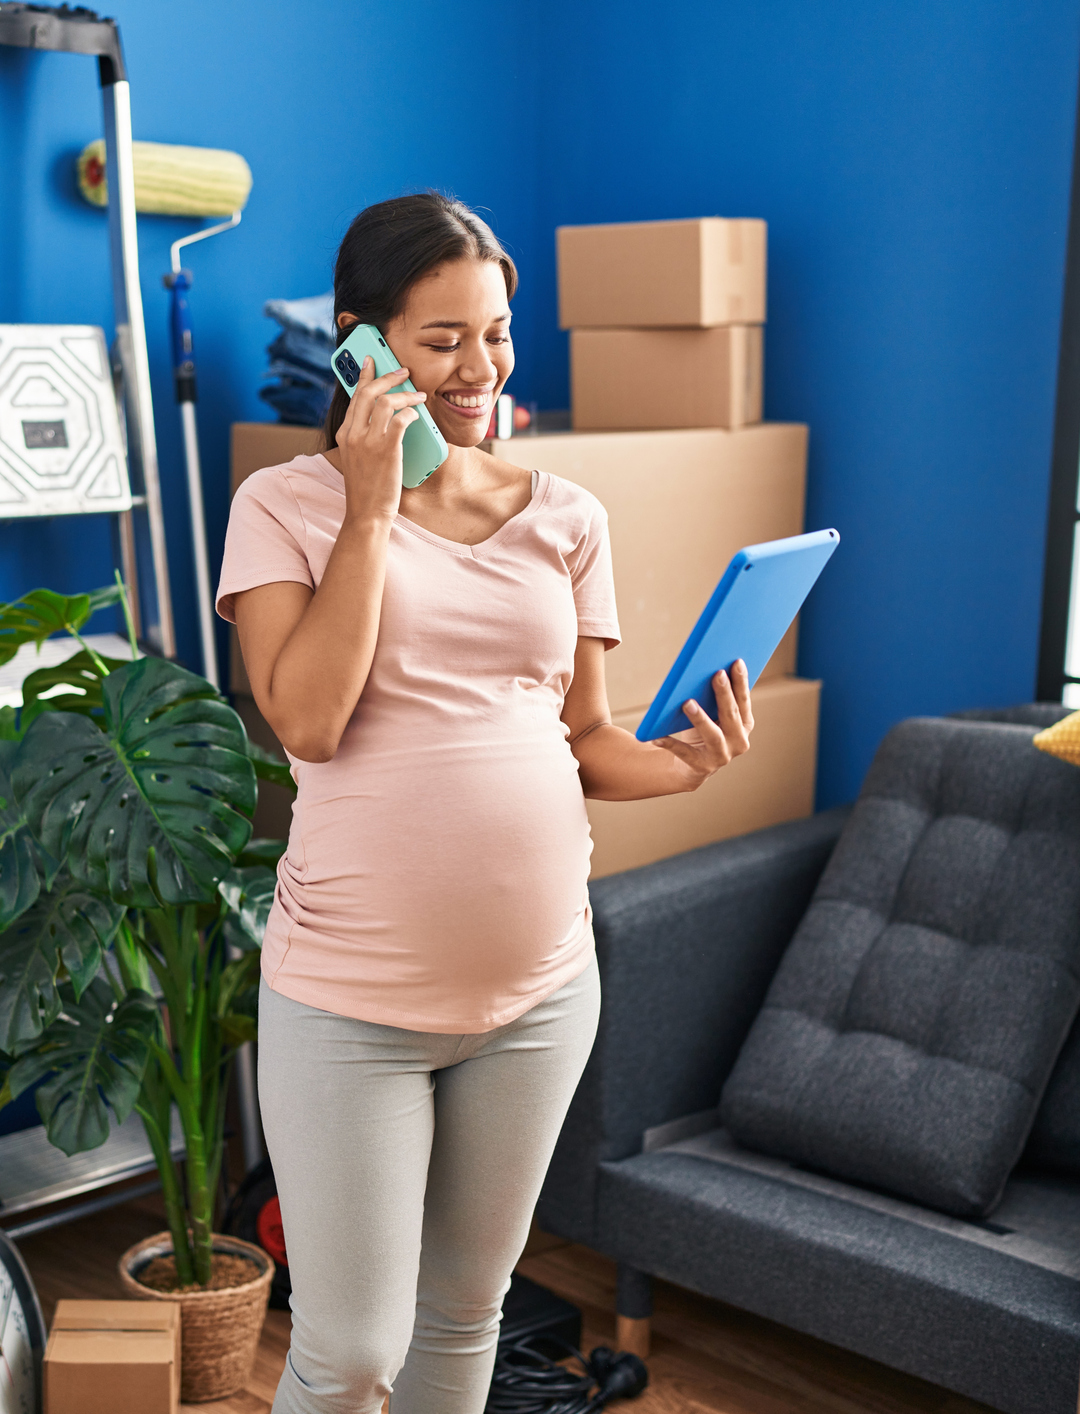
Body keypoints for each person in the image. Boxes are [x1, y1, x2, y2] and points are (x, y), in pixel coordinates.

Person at [216, 192, 757, 1414]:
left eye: (497, 332)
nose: (481, 369)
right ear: (358, 342)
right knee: (350, 1351)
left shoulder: (566, 516)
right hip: (348, 1005)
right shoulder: (285, 510)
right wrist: (370, 506)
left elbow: (588, 739)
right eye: (441, 339)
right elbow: (306, 717)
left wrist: (689, 762)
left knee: (463, 1324)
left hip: (538, 999)